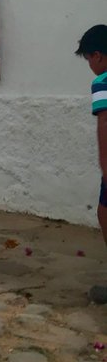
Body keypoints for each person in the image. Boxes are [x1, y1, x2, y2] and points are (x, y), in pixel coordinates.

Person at [75, 24, 107, 304]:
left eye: (88, 60)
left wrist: (105, 164)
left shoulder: (102, 82)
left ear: (98, 55)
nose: (90, 66)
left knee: (105, 212)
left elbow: (105, 122)